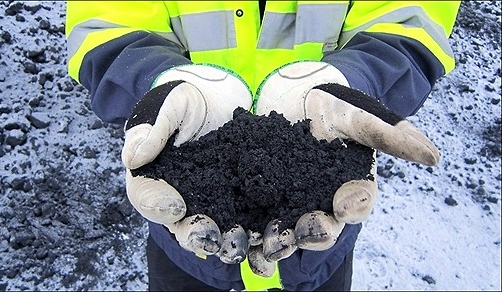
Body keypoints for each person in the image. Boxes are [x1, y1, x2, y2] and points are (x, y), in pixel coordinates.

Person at [65, 1, 461, 291]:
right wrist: (159, 84)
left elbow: (411, 21)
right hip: (188, 246)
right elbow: (105, 26)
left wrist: (352, 80)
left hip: (318, 246)